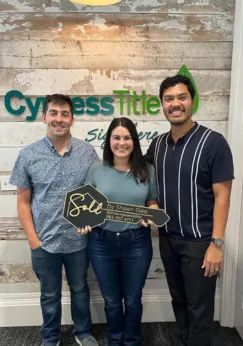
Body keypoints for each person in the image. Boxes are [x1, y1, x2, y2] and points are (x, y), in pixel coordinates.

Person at [145, 75, 234, 346]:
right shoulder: (157, 145)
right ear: (162, 104)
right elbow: (146, 184)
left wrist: (216, 244)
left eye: (181, 97)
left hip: (200, 243)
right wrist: (151, 205)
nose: (175, 104)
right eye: (169, 99)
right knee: (179, 301)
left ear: (192, 101)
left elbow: (223, 196)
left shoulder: (214, 142)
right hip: (168, 239)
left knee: (200, 309)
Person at [9, 94, 100, 346]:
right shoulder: (28, 155)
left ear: (72, 118)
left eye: (64, 114)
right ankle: (50, 337)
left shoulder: (87, 152)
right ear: (44, 117)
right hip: (44, 241)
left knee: (80, 289)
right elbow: (23, 202)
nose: (59, 119)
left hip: (79, 241)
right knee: (49, 294)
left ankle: (83, 332)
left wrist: (91, 220)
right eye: (53, 113)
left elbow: (96, 194)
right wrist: (33, 240)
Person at [78, 117, 159, 346]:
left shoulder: (147, 170)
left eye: (126, 137)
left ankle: (132, 341)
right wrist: (83, 222)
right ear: (109, 141)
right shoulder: (96, 170)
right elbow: (86, 207)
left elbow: (152, 202)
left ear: (134, 141)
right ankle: (115, 341)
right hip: (101, 242)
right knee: (112, 301)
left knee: (133, 300)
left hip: (137, 243)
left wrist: (151, 215)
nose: (121, 143)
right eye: (116, 137)